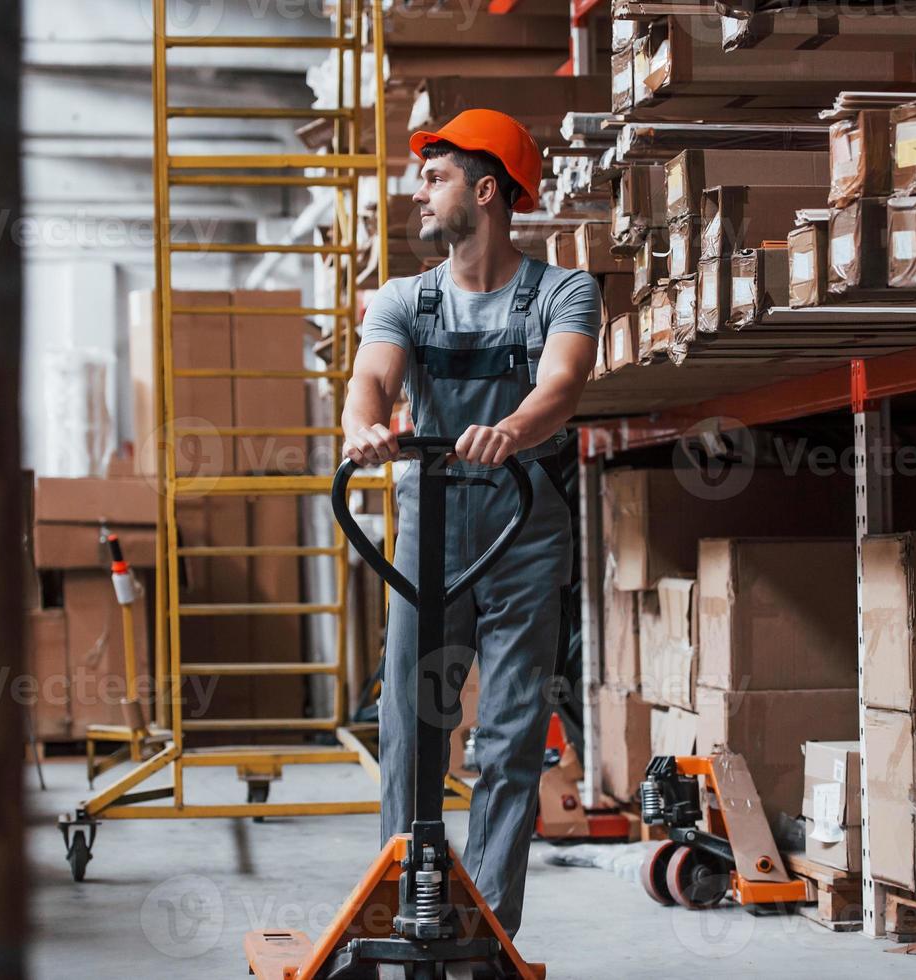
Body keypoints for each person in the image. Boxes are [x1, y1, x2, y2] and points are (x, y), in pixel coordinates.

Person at [341, 108, 600, 938]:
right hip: (432, 521)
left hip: (525, 523)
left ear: (486, 191)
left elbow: (561, 382)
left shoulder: (564, 290)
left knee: (514, 728)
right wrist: (364, 429)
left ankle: (485, 928)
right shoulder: (404, 299)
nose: (419, 190)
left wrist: (511, 432)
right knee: (410, 717)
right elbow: (370, 380)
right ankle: (400, 900)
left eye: (436, 175)